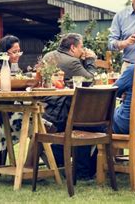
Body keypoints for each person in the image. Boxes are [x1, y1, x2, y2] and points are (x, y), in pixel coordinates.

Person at [40, 33, 98, 179]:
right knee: (91, 125)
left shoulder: (49, 55)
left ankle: (63, 160)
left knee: (84, 123)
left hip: (48, 108)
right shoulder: (72, 62)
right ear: (72, 48)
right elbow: (90, 80)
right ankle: (86, 171)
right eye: (81, 46)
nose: (83, 49)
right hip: (63, 112)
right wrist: (90, 60)